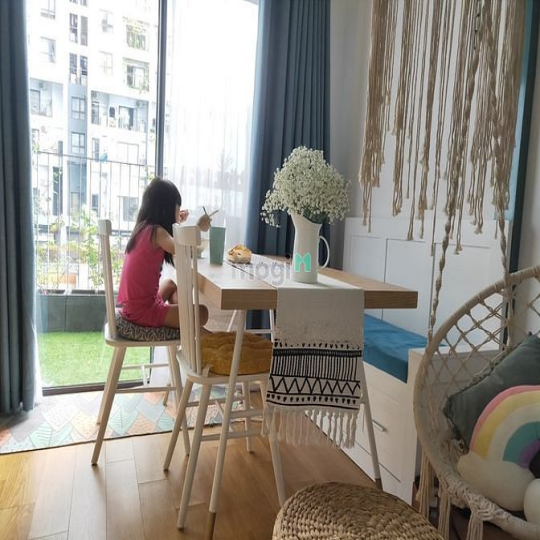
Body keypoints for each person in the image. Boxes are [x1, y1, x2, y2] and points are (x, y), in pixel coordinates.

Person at [118, 177, 211, 329]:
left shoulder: (143, 228)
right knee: (202, 313)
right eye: (176, 210)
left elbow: (173, 241)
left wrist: (178, 221)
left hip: (134, 306)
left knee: (169, 284)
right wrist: (198, 227)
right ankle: (186, 323)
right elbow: (181, 248)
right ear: (166, 210)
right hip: (143, 312)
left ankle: (183, 322)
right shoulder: (157, 232)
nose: (178, 214)